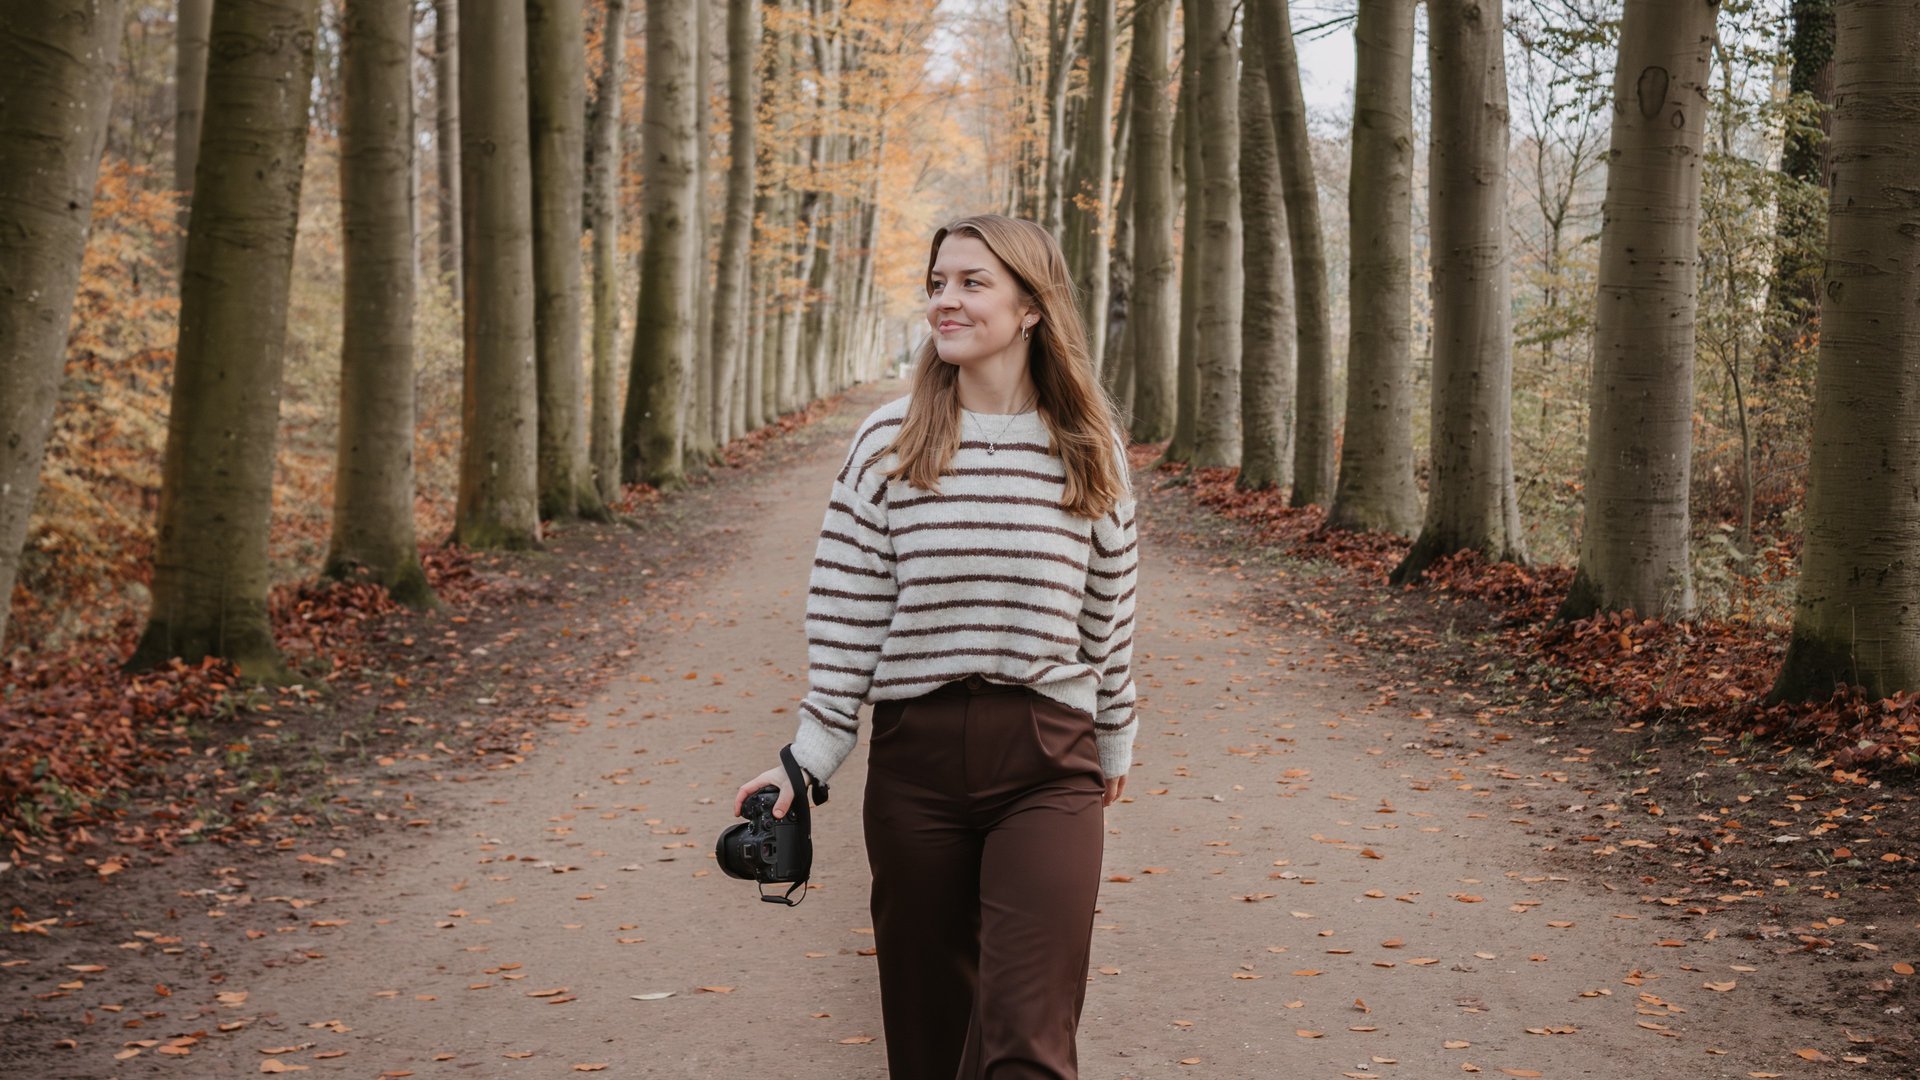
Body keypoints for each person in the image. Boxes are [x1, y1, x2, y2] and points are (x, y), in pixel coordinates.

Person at [734, 213, 1140, 1079]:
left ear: (1032, 306)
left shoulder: (1086, 445)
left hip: (1047, 759)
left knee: (1029, 1044)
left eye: (971, 283)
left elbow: (1110, 609)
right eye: (937, 283)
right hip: (915, 763)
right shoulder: (889, 441)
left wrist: (1114, 735)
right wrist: (805, 757)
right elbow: (846, 609)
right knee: (928, 1037)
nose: (944, 301)